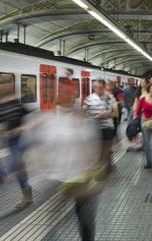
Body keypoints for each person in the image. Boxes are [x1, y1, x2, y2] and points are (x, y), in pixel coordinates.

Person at [27, 82, 102, 241]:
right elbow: (38, 149)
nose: (66, 96)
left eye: (70, 93)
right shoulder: (47, 120)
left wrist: (93, 171)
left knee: (86, 220)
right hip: (58, 179)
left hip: (84, 179)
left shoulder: (83, 119)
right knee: (52, 221)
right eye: (62, 93)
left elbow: (93, 148)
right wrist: (41, 174)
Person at [0, 73, 32, 209]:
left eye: (6, 83)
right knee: (19, 170)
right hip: (10, 141)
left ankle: (27, 195)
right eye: (1, 83)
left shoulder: (18, 102)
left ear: (11, 85)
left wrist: (21, 128)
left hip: (21, 140)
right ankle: (28, 195)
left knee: (11, 166)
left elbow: (30, 121)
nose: (3, 86)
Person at [83, 80, 118, 174]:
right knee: (97, 150)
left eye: (100, 87)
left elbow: (116, 113)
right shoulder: (89, 99)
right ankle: (101, 166)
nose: (97, 89)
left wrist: (107, 114)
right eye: (95, 87)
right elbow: (84, 113)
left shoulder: (110, 98)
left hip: (107, 127)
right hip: (94, 127)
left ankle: (104, 166)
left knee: (105, 149)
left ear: (103, 87)